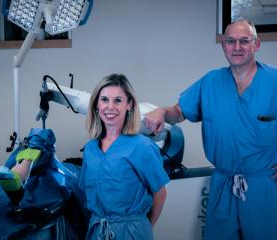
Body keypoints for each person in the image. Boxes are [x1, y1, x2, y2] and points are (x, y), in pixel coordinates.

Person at [145, 19, 277, 240]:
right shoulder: (211, 82)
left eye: (244, 41)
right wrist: (162, 112)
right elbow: (180, 111)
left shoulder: (274, 80)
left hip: (265, 186)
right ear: (223, 45)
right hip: (223, 184)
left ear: (256, 44)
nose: (237, 47)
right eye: (230, 41)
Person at [79, 73, 169, 239]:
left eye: (118, 100)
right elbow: (86, 193)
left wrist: (144, 228)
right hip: (97, 231)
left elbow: (160, 194)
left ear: (129, 105)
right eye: (104, 99)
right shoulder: (91, 149)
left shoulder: (142, 147)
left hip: (131, 232)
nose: (110, 106)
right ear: (96, 105)